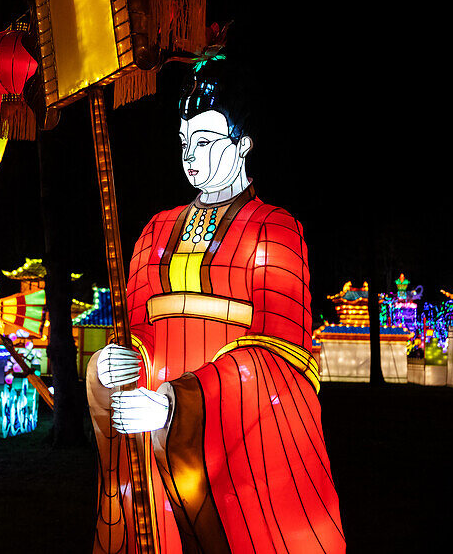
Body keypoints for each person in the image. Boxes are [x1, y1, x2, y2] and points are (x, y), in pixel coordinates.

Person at [87, 54, 345, 554]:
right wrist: (114, 365)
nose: (191, 158)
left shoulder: (275, 229)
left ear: (243, 143)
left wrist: (176, 405)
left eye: (205, 142)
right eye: (185, 143)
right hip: (149, 434)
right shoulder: (156, 231)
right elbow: (140, 330)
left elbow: (280, 357)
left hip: (234, 444)